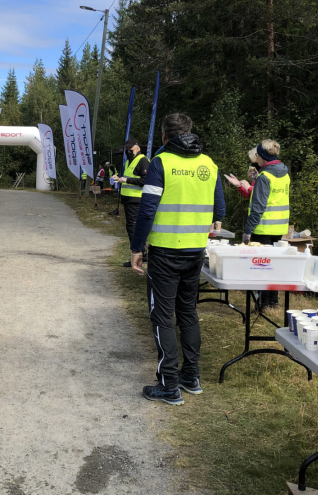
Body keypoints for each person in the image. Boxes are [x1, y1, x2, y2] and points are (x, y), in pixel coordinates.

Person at [130, 114, 226, 405]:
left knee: (162, 315)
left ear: (164, 136)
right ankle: (190, 376)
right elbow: (219, 207)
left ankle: (168, 384)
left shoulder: (161, 162)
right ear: (190, 133)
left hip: (165, 252)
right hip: (195, 251)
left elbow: (147, 210)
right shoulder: (208, 164)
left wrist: (137, 248)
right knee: (187, 313)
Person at [243, 140, 290, 309]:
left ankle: (263, 303)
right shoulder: (283, 173)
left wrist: (248, 230)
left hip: (262, 227)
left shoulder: (265, 177)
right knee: (274, 265)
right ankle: (273, 302)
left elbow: (258, 207)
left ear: (262, 157)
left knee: (262, 267)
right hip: (279, 227)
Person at [112, 138, 151, 268]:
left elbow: (146, 180)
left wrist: (127, 180)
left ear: (137, 147)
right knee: (132, 227)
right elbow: (130, 177)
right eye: (127, 149)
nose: (128, 151)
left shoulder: (143, 161)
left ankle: (139, 254)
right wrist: (119, 179)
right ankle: (140, 253)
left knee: (133, 228)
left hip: (136, 199)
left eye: (130, 149)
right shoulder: (130, 161)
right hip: (129, 199)